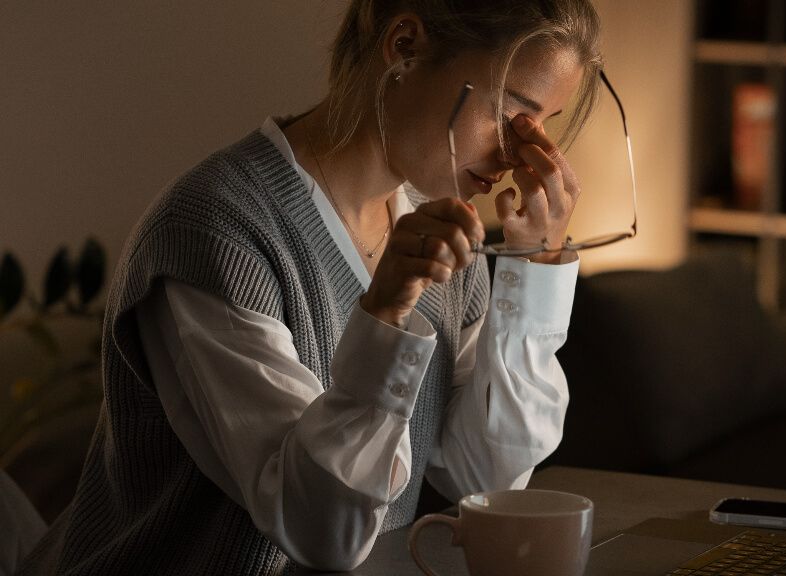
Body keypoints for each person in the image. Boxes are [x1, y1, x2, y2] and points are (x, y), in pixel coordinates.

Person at [15, 0, 603, 574]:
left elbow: (484, 479)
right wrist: (385, 317)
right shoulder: (218, 229)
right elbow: (322, 531)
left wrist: (536, 268)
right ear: (404, 46)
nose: (519, 155)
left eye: (541, 127)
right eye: (508, 114)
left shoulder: (442, 230)